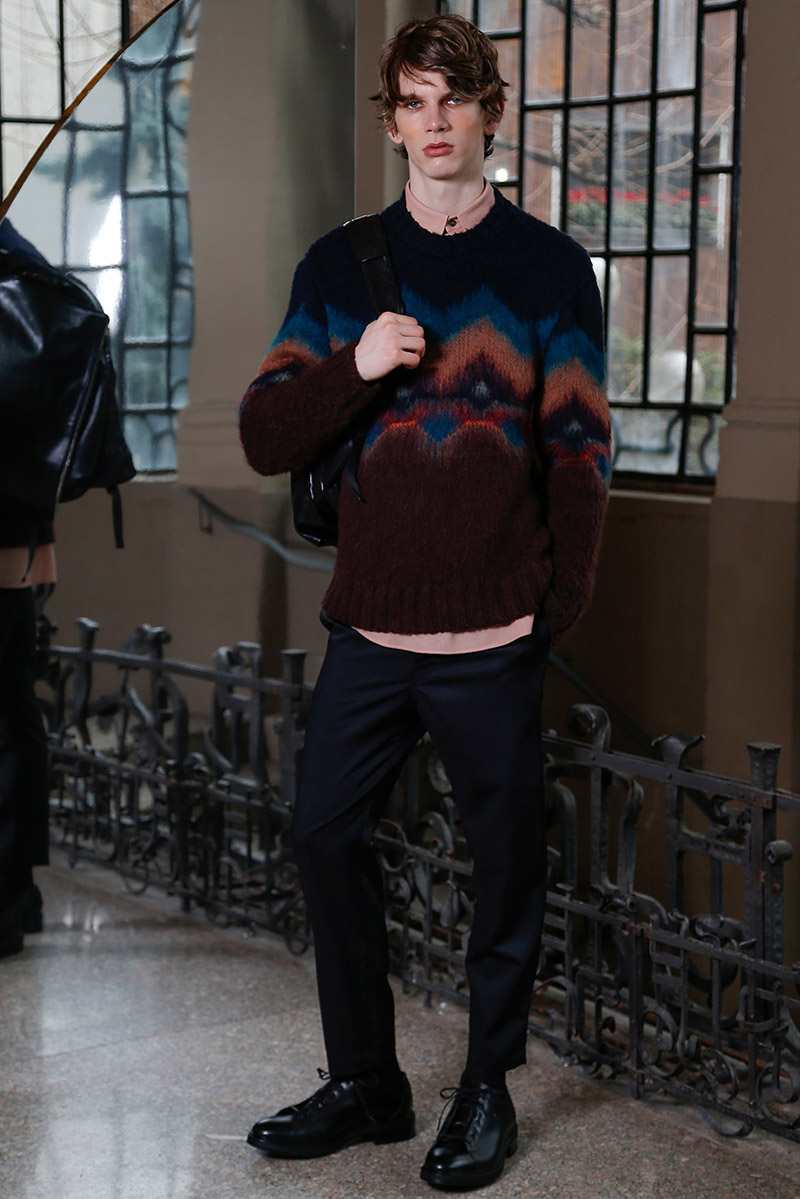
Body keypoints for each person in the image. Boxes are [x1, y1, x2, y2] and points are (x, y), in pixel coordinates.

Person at [239, 13, 611, 1190]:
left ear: (488, 110)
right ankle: (367, 1080)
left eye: (454, 97)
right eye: (412, 100)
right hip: (372, 622)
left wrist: (552, 602)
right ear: (392, 121)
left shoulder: (549, 267)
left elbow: (579, 449)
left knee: (503, 864)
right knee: (322, 831)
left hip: (494, 629)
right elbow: (263, 432)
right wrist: (355, 364)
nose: (434, 120)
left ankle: (485, 1083)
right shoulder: (338, 265)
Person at [0, 220, 54, 958]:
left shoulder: (17, 268)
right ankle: (20, 890)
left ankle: (7, 901)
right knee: (12, 710)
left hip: (9, 529)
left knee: (5, 714)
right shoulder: (22, 262)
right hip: (21, 530)